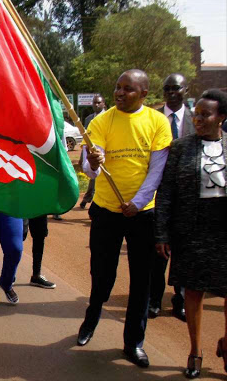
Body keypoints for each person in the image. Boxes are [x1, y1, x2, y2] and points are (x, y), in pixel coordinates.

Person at [77, 69, 172, 368]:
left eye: (127, 89)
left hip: (142, 213)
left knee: (141, 280)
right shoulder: (102, 120)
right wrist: (93, 162)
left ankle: (134, 342)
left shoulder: (158, 122)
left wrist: (138, 202)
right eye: (117, 87)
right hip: (106, 210)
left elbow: (157, 170)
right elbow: (90, 167)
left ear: (144, 94)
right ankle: (91, 318)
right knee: (102, 275)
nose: (119, 93)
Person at [154, 89, 227, 378]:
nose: (199, 120)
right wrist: (161, 233)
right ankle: (195, 350)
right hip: (191, 231)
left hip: (224, 230)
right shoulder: (182, 147)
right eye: (196, 114)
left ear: (221, 117)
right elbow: (167, 193)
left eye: (205, 115)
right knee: (193, 292)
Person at [149, 73, 194, 322]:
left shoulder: (195, 118)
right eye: (167, 88)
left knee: (183, 252)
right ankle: (154, 300)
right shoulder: (154, 118)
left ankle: (181, 301)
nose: (171, 92)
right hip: (158, 194)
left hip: (187, 198)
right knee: (158, 251)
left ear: (185, 89)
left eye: (175, 88)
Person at [79, 95, 106, 209]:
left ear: (104, 104)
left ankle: (88, 199)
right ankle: (88, 199)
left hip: (106, 155)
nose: (96, 105)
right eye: (94, 103)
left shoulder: (109, 118)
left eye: (99, 103)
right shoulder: (88, 119)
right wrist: (82, 157)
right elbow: (86, 140)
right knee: (93, 177)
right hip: (92, 157)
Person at [22, 216, 56, 289]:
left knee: (40, 235)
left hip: (39, 208)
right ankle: (9, 275)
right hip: (21, 205)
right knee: (19, 235)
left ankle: (36, 276)